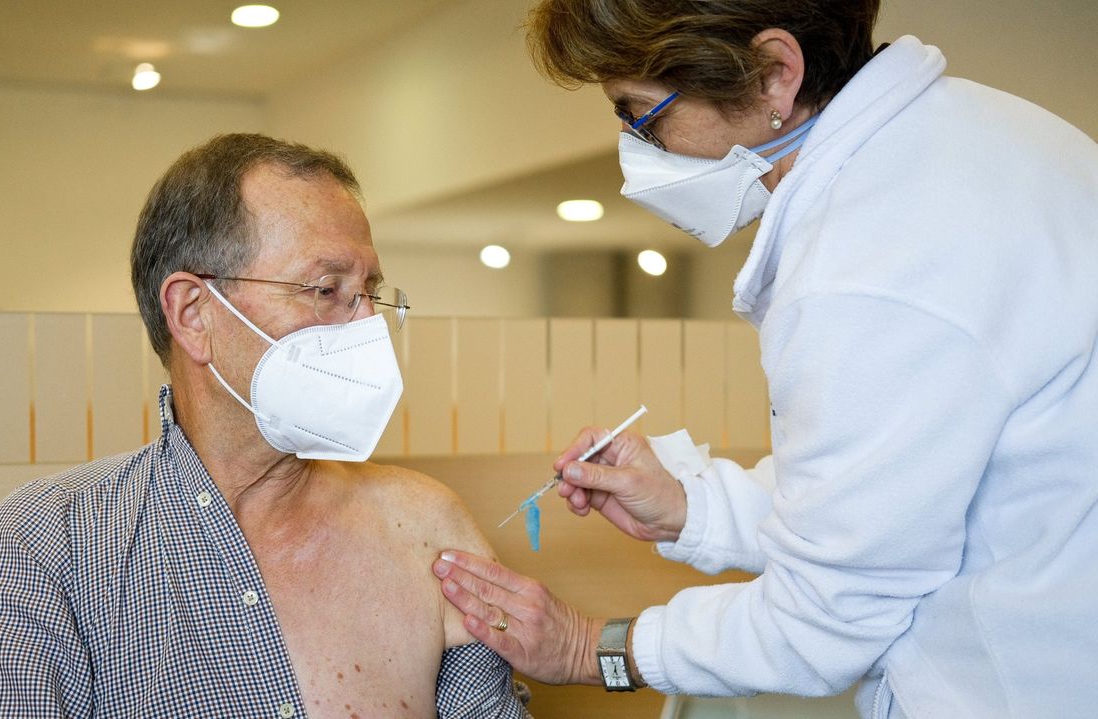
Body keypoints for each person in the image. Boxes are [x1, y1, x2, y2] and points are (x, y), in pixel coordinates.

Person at [433, 1, 1098, 717]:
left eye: (642, 117)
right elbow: (892, 485)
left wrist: (587, 646)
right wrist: (692, 507)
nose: (634, 150)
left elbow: (824, 619)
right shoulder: (997, 139)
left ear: (775, 75)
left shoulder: (868, 260)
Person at [0, 133, 529, 718]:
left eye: (370, 292)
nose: (368, 327)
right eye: (327, 290)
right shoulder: (53, 544)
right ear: (194, 315)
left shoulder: (426, 526)